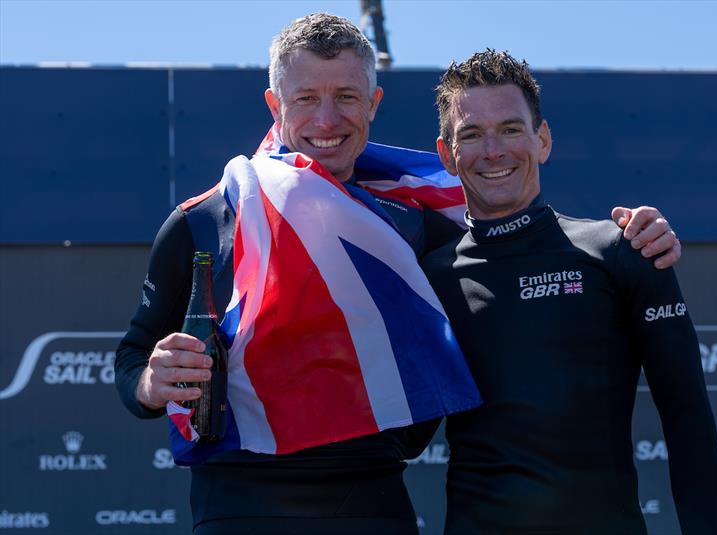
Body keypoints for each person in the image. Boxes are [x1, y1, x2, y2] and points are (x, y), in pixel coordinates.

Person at [115, 14, 683, 535]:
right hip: (236, 506)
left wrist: (640, 235)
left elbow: (526, 251)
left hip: (372, 505)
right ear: (274, 104)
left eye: (346, 97)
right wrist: (151, 381)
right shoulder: (204, 219)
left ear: (374, 102)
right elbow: (133, 359)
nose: (327, 119)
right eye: (306, 97)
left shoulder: (420, 224)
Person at [422, 50, 717, 534]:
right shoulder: (427, 277)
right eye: (472, 134)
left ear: (542, 140)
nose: (493, 150)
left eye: (511, 128)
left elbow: (687, 417)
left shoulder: (622, 250)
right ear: (447, 155)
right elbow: (402, 438)